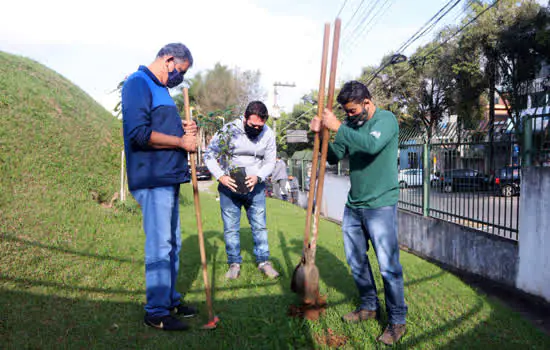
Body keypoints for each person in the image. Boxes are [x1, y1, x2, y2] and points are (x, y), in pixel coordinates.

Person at [310, 81, 407, 345]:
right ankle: (368, 306)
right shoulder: (350, 125)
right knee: (356, 262)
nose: (349, 115)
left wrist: (338, 127)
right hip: (354, 206)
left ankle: (397, 321)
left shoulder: (386, 120)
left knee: (388, 267)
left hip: (381, 205)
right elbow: (333, 156)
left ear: (367, 102)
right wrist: (320, 135)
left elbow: (370, 146)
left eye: (352, 110)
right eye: (346, 112)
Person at [122, 43, 199, 331]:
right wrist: (180, 142)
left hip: (168, 176)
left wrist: (183, 129)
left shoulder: (162, 89)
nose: (179, 78)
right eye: (180, 71)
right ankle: (156, 312)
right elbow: (139, 134)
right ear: (168, 61)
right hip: (152, 178)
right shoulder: (137, 83)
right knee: (160, 245)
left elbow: (159, 126)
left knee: (173, 243)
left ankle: (169, 300)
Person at [204, 101, 280, 280]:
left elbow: (270, 161)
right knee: (231, 228)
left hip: (256, 187)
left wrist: (259, 176)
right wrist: (221, 176)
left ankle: (263, 262)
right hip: (229, 188)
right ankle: (234, 264)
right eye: (253, 125)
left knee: (259, 226)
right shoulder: (229, 130)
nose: (256, 129)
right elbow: (209, 155)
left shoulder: (268, 134)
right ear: (244, 118)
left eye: (260, 126)